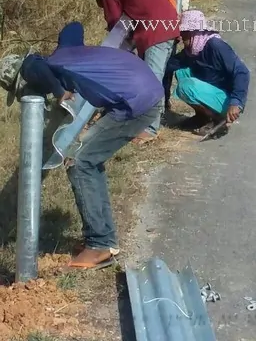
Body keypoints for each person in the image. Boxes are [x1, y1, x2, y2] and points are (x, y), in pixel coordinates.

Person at [0, 21, 164, 270]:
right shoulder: (64, 52)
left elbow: (32, 64)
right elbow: (74, 27)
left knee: (80, 162)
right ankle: (104, 240)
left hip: (137, 101)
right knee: (89, 158)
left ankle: (99, 243)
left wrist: (56, 91)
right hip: (145, 87)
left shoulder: (41, 66)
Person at [85, 0, 179, 144]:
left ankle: (151, 129)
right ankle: (144, 119)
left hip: (155, 33)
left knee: (151, 80)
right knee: (152, 76)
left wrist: (119, 43)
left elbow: (114, 20)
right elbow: (141, 7)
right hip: (168, 24)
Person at [163, 9, 250, 135]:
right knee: (182, 71)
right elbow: (169, 65)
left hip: (227, 99)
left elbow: (242, 72)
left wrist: (236, 102)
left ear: (194, 32)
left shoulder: (216, 46)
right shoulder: (192, 50)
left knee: (186, 86)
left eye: (184, 33)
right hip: (212, 91)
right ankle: (202, 117)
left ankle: (217, 119)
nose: (181, 37)